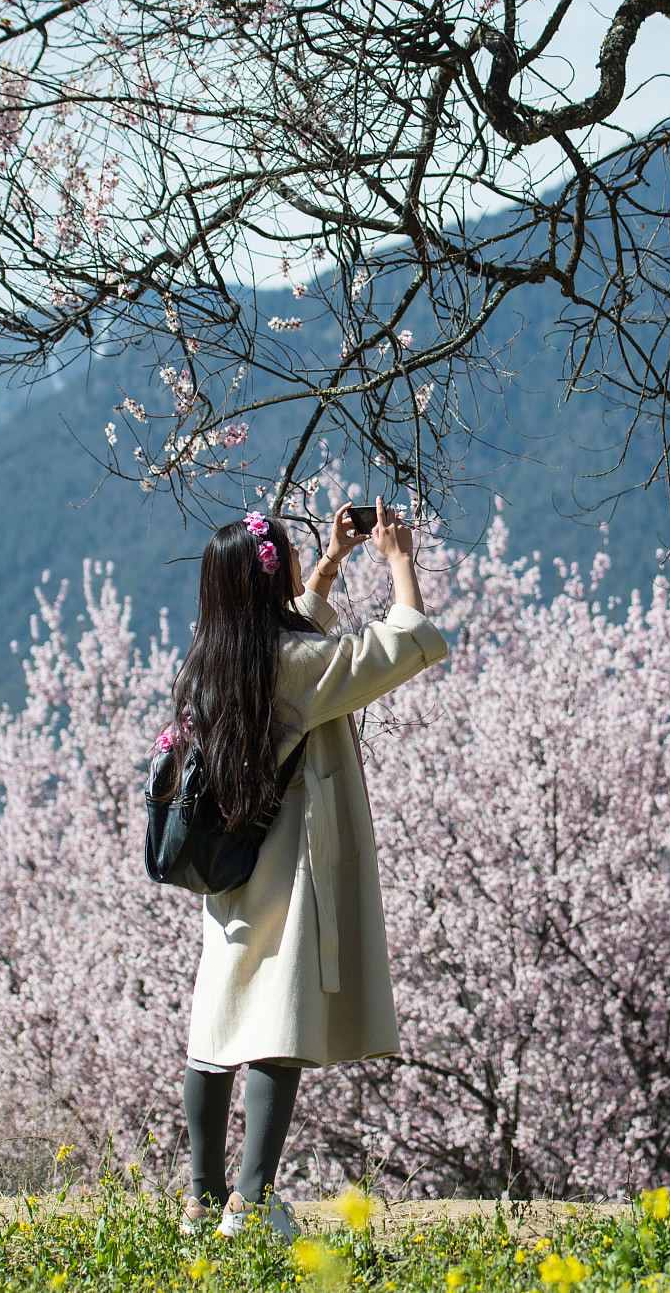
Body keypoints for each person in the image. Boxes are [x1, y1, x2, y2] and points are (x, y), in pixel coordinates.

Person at [154, 496, 450, 1239]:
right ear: (265, 580)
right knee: (275, 1028)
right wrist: (398, 561)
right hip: (287, 866)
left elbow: (290, 638)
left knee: (215, 1027)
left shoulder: (210, 660)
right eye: (285, 556)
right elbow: (397, 646)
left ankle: (201, 1198)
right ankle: (251, 1204)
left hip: (227, 869)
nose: (291, 563)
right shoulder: (293, 667)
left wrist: (330, 565)